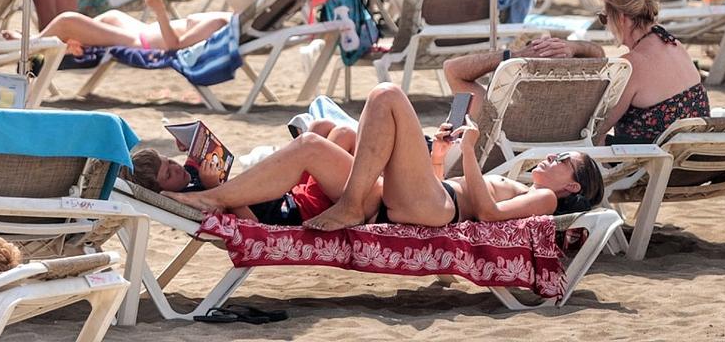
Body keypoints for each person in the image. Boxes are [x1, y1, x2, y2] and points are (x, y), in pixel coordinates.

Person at [168, 82, 604, 232]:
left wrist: (470, 154)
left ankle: (218, 197)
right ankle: (221, 195)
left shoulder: (545, 201)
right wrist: (444, 154)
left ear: (573, 187)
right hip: (429, 196)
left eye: (566, 161)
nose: (553, 159)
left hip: (438, 208)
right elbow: (451, 187)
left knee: (387, 95)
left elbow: (488, 215)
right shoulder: (531, 185)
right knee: (316, 144)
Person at [126, 119, 355, 225]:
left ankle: (362, 184)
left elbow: (207, 150)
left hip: (290, 193)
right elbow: (250, 224)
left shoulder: (186, 178)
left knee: (320, 127)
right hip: (302, 210)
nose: (176, 169)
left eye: (170, 162)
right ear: (162, 191)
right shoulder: (195, 196)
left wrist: (190, 144)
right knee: (343, 135)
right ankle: (365, 198)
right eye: (168, 174)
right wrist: (215, 187)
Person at [592, 0, 709, 145]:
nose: (607, 27)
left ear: (621, 18)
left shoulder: (632, 64)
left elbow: (598, 128)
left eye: (604, 18)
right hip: (693, 160)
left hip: (651, 166)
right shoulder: (674, 44)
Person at [8, 0, 230, 55]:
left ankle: (31, 46)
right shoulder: (227, 20)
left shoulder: (219, 23)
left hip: (142, 43)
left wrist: (159, 10)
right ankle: (64, 46)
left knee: (68, 21)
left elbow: (175, 46)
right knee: (112, 16)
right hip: (142, 31)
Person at [443, 36, 605, 118]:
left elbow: (452, 69)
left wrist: (515, 55)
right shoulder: (577, 115)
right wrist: (573, 46)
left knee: (459, 112)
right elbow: (600, 56)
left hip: (456, 160)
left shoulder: (498, 117)